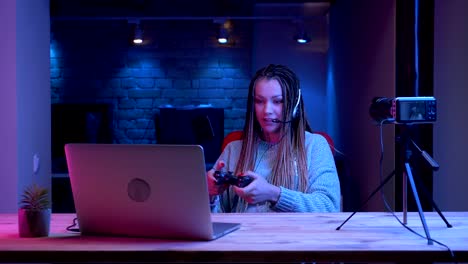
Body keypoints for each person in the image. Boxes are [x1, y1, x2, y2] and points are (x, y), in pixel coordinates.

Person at [206, 64, 341, 213]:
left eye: (277, 101)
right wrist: (210, 196)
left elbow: (329, 207)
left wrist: (274, 194)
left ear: (294, 106)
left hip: (295, 235)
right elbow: (214, 220)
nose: (267, 111)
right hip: (242, 235)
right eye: (259, 101)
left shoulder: (315, 146)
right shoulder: (233, 149)